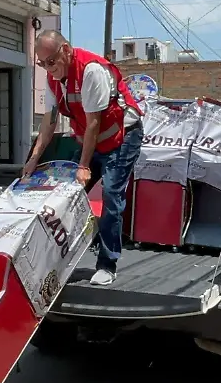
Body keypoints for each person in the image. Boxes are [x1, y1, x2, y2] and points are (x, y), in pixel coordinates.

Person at [25, 30, 144, 286]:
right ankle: (58, 258)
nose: (48, 67)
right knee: (68, 194)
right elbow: (49, 121)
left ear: (66, 50)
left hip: (121, 138)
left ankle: (107, 265)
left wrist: (83, 166)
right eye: (41, 63)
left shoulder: (91, 70)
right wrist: (34, 158)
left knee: (112, 194)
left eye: (51, 61)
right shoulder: (53, 78)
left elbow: (93, 124)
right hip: (93, 141)